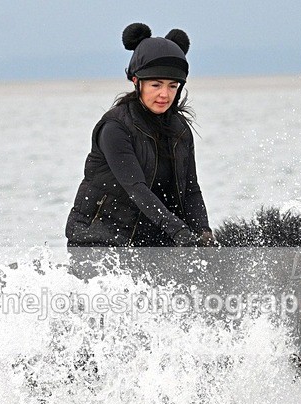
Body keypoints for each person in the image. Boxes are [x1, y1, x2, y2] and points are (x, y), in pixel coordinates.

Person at [65, 23, 215, 253]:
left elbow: (192, 190)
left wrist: (204, 234)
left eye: (172, 86)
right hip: (99, 242)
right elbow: (137, 189)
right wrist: (181, 233)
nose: (164, 94)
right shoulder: (115, 127)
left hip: (155, 242)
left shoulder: (180, 130)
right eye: (156, 85)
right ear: (136, 81)